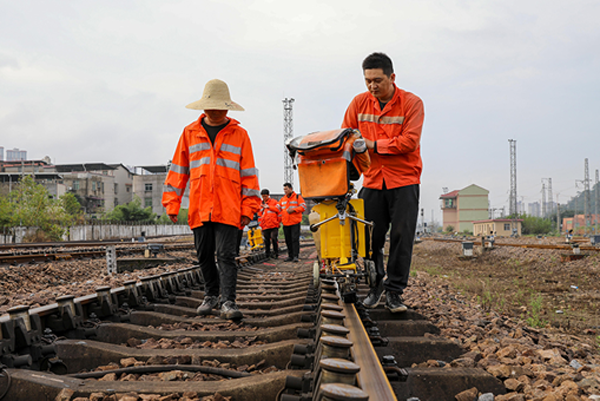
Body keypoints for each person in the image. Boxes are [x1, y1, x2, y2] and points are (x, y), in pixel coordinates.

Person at [162, 79, 261, 320]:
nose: (214, 111)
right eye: (211, 107)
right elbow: (178, 170)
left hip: (229, 208)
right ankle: (211, 296)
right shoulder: (189, 133)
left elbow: (249, 175)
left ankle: (228, 301)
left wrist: (248, 208)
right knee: (203, 254)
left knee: (226, 255)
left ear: (227, 108)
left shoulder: (240, 135)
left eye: (219, 107)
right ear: (203, 108)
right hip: (200, 207)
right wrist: (172, 202)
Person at [342, 52, 424, 313]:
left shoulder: (412, 103)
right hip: (373, 181)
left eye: (377, 80)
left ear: (392, 77)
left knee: (401, 238)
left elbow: (409, 142)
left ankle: (394, 293)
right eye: (367, 81)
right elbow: (345, 138)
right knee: (368, 238)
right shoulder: (358, 103)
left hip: (404, 181)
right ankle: (375, 285)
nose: (372, 86)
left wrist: (372, 145)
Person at [278, 183, 306, 262]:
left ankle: (295, 256)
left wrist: (294, 210)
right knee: (288, 240)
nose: (285, 191)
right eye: (284, 189)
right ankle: (290, 256)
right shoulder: (283, 199)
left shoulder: (297, 197)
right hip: (286, 222)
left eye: (286, 189)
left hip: (295, 222)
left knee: (294, 239)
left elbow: (303, 207)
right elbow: (278, 208)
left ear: (291, 189)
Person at [258, 189, 281, 259]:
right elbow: (259, 216)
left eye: (265, 196)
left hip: (274, 225)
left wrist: (269, 207)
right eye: (263, 196)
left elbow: (279, 210)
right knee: (266, 240)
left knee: (274, 238)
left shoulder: (274, 202)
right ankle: (267, 254)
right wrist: (261, 225)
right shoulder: (261, 204)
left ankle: (276, 253)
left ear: (268, 195)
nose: (264, 198)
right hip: (265, 226)